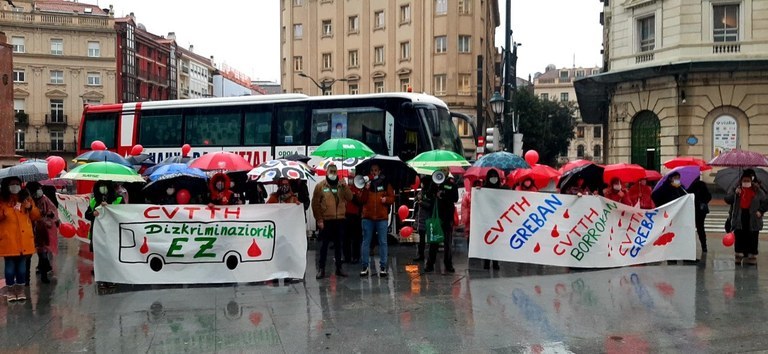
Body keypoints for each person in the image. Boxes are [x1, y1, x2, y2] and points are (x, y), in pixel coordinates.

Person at [0, 177, 41, 301]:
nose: (15, 186)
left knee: (22, 269)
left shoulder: (26, 199)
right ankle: (11, 291)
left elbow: (36, 216)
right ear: (7, 186)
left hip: (25, 240)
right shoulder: (2, 201)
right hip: (9, 240)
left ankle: (20, 290)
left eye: (17, 184)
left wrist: (29, 207)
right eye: (12, 184)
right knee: (10, 268)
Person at [311, 164, 353, 279]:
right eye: (331, 171)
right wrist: (319, 219)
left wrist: (345, 186)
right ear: (327, 172)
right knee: (324, 246)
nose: (333, 174)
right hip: (326, 220)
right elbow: (315, 204)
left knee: (339, 245)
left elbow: (350, 198)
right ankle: (321, 269)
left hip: (340, 219)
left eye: (335, 172)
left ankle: (339, 268)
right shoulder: (320, 186)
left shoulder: (341, 185)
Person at [359, 164, 395, 277]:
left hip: (381, 218)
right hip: (367, 218)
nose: (374, 172)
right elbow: (361, 200)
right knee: (366, 242)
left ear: (379, 171)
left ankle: (383, 266)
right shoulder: (366, 184)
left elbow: (392, 198)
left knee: (383, 242)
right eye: (372, 170)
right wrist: (366, 189)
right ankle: (365, 266)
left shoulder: (385, 183)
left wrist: (386, 199)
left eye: (376, 170)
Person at [725, 174, 767, 265]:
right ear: (741, 180)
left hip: (753, 217)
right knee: (739, 235)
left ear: (751, 181)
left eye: (748, 180)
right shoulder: (736, 188)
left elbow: (765, 201)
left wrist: (761, 210)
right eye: (744, 180)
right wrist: (735, 194)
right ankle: (739, 255)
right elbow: (727, 199)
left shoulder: (757, 190)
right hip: (739, 216)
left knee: (752, 236)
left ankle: (751, 256)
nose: (746, 182)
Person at [424, 168, 459, 273]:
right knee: (433, 241)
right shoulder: (434, 182)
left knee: (447, 242)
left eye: (445, 170)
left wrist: (444, 194)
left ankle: (448, 264)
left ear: (448, 171)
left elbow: (455, 198)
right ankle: (430, 264)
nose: (443, 172)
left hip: (447, 217)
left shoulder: (451, 183)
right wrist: (435, 190)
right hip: (436, 216)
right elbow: (428, 195)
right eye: (441, 170)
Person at [25, 181, 59, 284]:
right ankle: (27, 279)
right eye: (37, 189)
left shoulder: (44, 199)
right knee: (28, 256)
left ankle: (44, 275)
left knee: (42, 254)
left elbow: (52, 210)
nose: (40, 191)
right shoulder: (26, 201)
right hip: (28, 230)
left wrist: (50, 215)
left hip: (41, 231)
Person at [481, 169, 506, 270]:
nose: (493, 179)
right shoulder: (483, 189)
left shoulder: (501, 189)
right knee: (488, 241)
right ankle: (487, 262)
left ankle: (495, 263)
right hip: (487, 219)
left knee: (496, 242)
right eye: (491, 176)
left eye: (495, 176)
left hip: (498, 219)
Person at [687, 176, 712, 253]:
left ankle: (693, 246)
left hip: (693, 210)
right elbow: (709, 196)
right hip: (700, 211)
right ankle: (704, 246)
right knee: (700, 228)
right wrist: (703, 201)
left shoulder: (690, 186)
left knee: (692, 229)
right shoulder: (702, 185)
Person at [344, 175, 363, 264]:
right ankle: (347, 256)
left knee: (356, 238)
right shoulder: (346, 187)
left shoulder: (359, 187)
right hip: (346, 214)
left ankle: (356, 256)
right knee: (346, 238)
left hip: (356, 215)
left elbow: (360, 202)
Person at [413, 176, 433, 263]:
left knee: (429, 238)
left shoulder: (430, 193)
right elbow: (415, 200)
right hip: (420, 218)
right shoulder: (421, 192)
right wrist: (417, 199)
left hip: (428, 218)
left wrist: (422, 203)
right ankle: (421, 254)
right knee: (421, 238)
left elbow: (430, 205)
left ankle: (430, 256)